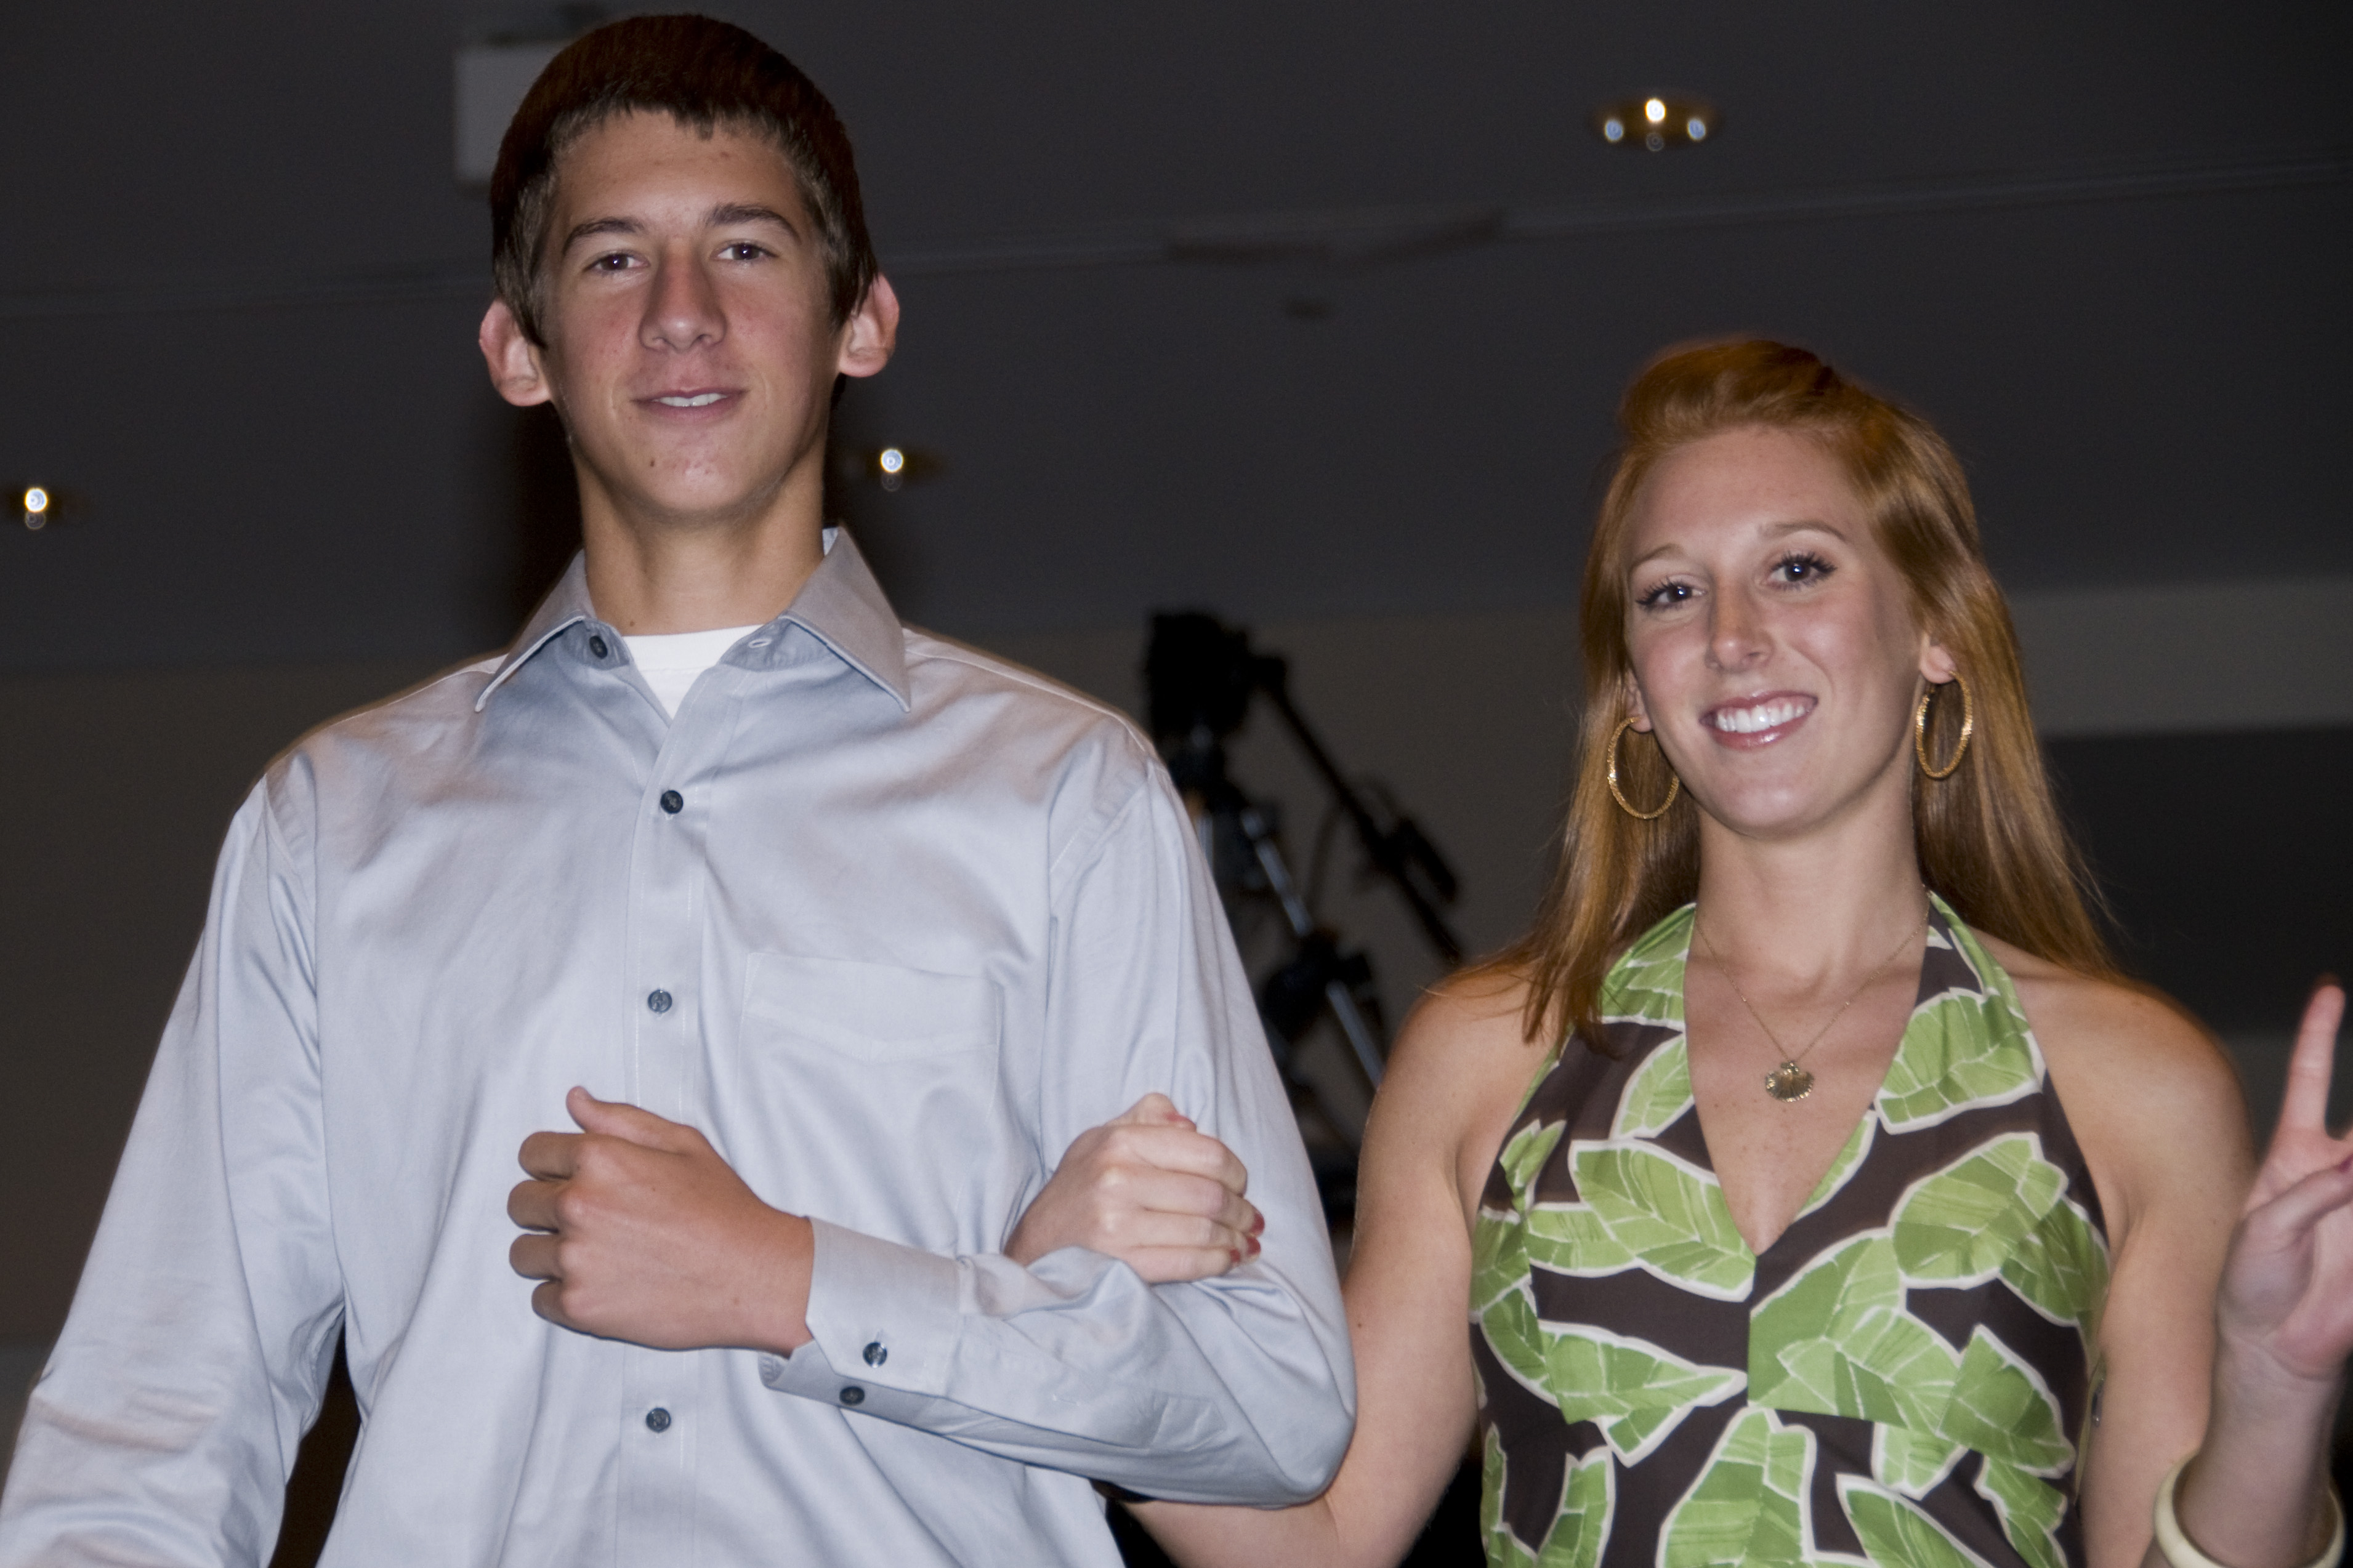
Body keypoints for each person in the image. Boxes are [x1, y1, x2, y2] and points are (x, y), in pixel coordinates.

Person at [0, 17, 1350, 1564]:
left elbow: (1274, 1399)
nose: (683, 314)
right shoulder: (334, 828)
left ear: (863, 321)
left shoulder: (1068, 800)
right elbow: (152, 1434)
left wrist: (786, 1275)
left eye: (746, 249)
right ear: (520, 350)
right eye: (614, 259)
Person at [1019, 340, 2351, 1567]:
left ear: (1936, 628)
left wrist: (2277, 1380)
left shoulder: (2128, 1081)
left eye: (1799, 567)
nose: (1730, 637)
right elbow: (1316, 1536)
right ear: (1635, 695)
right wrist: (1048, 1308)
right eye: (1671, 593)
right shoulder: (1492, 1055)